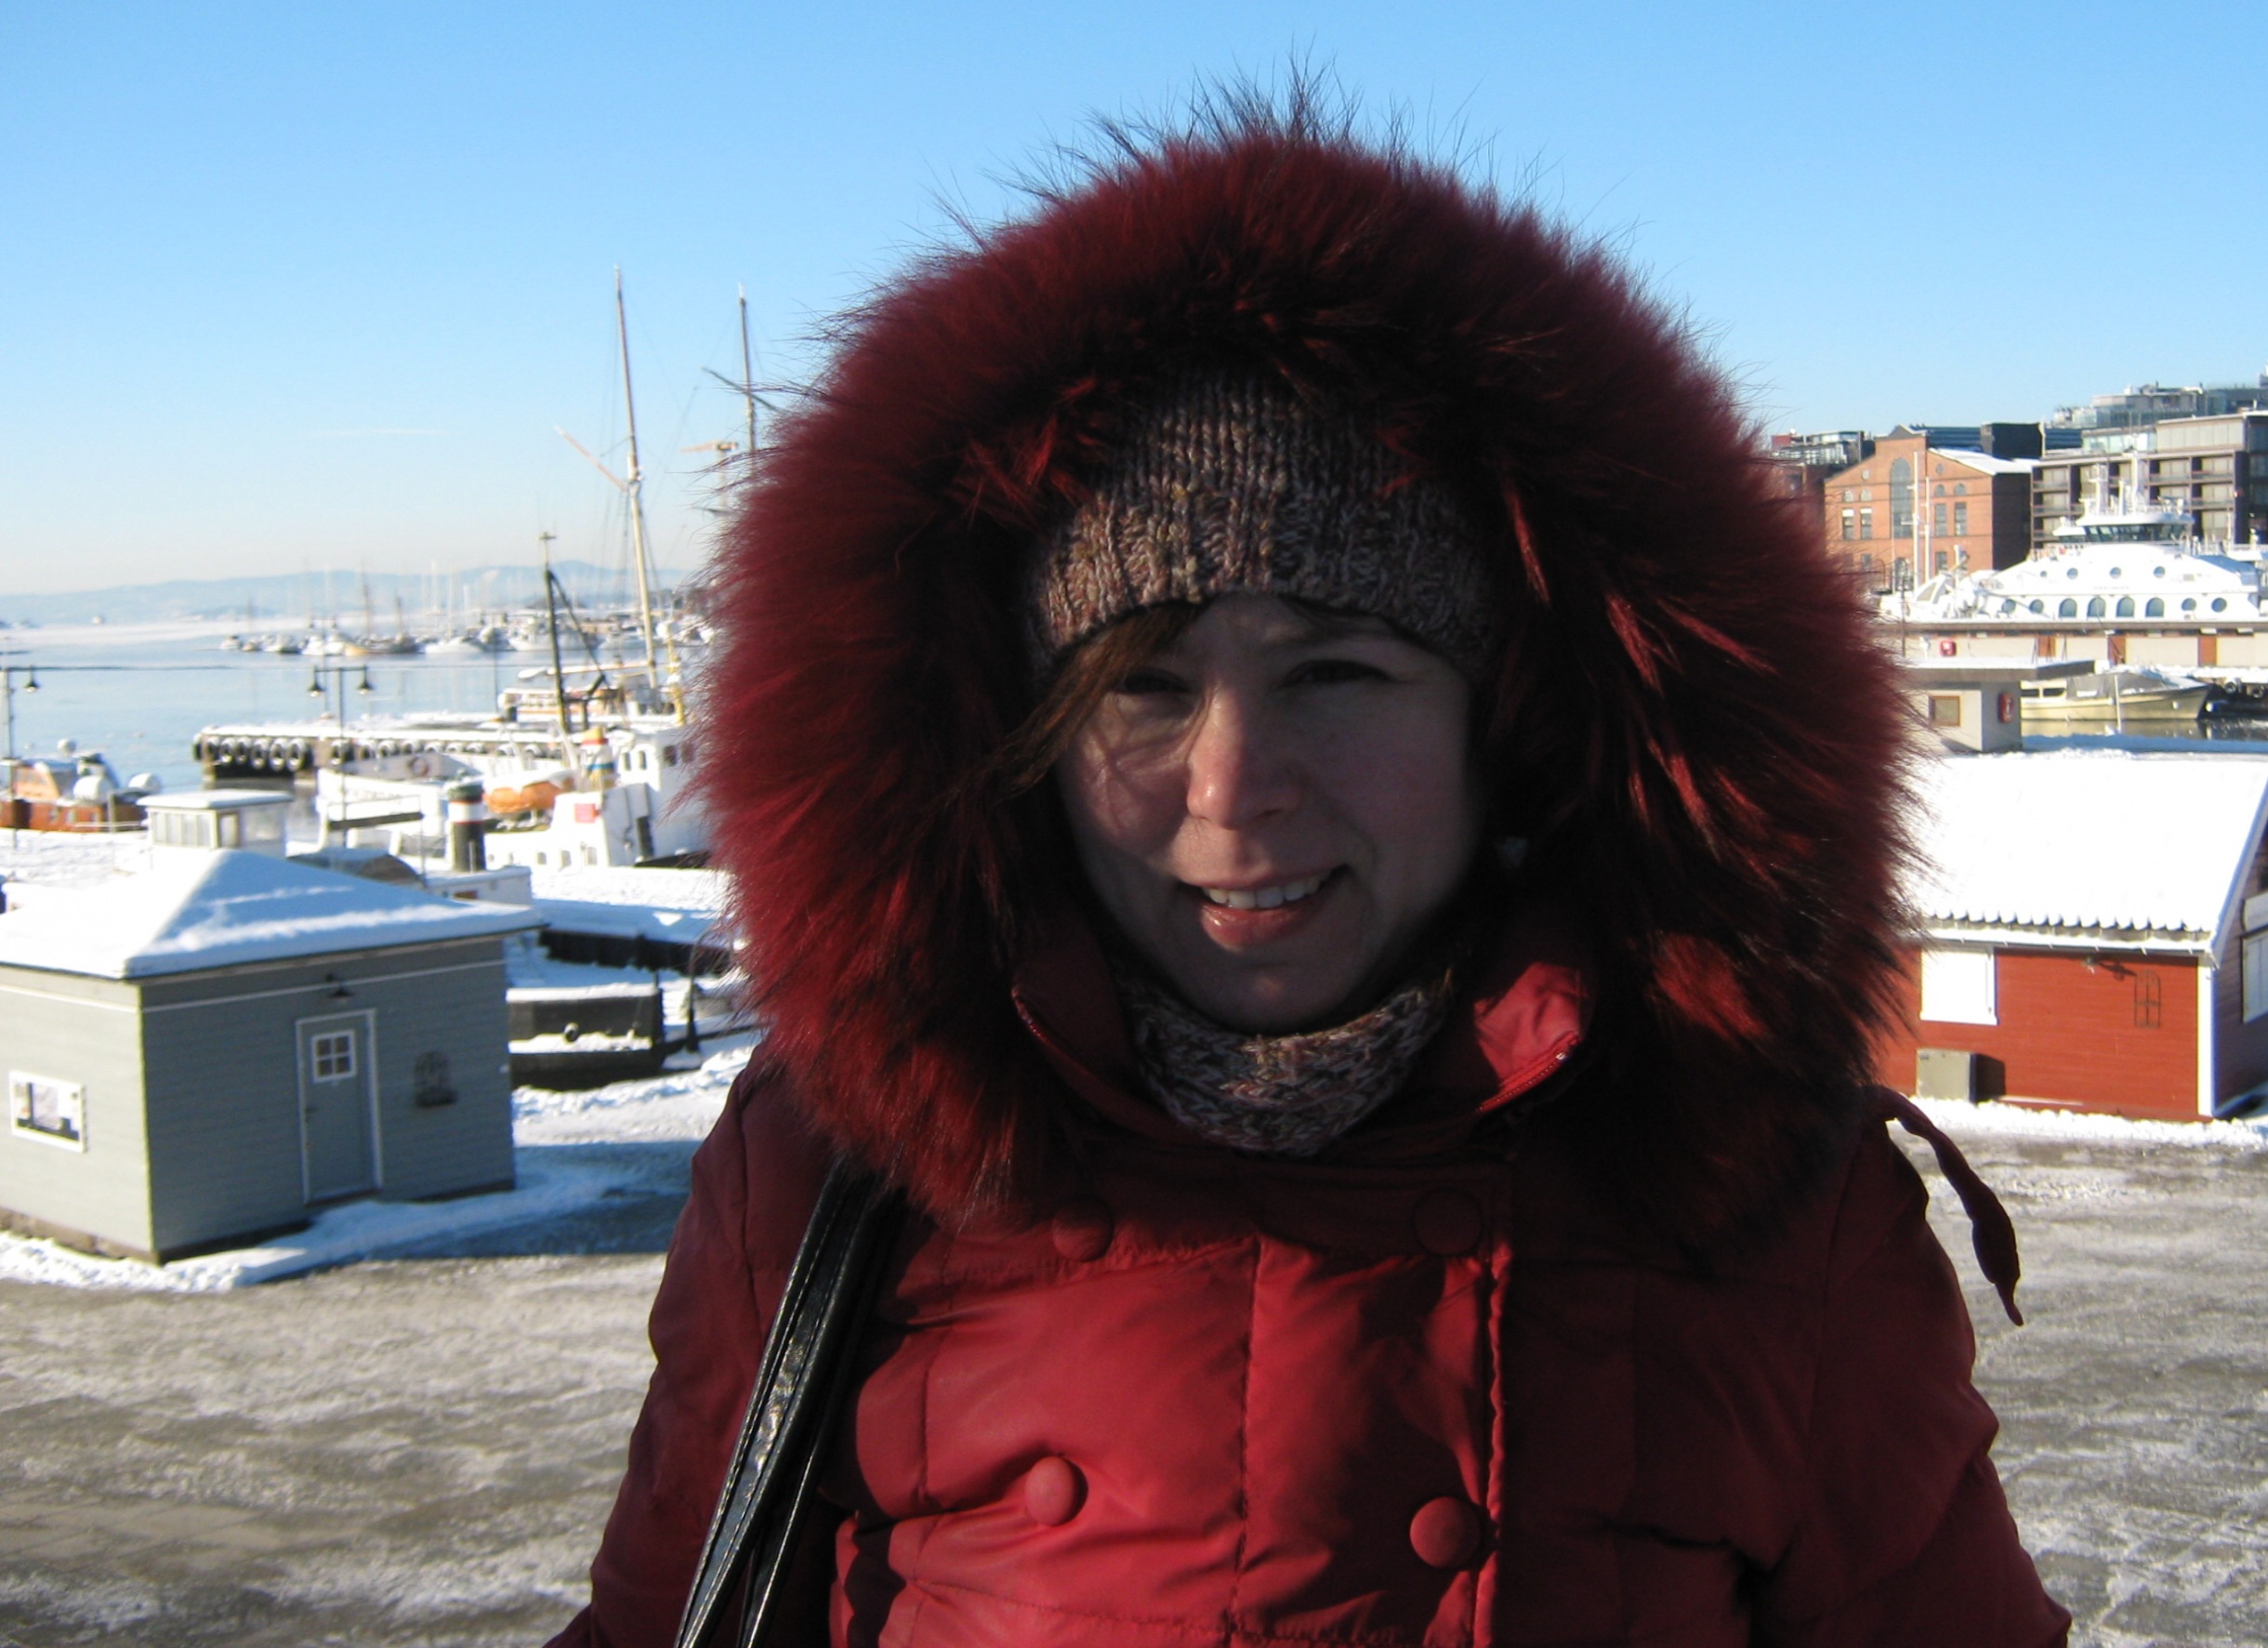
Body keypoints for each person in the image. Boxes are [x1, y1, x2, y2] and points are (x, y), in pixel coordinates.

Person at [550, 100, 2070, 1647]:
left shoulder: (1762, 1197)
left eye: (1336, 673)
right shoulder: (844, 1167)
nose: (1234, 787)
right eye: (1141, 690)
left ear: (1499, 724)